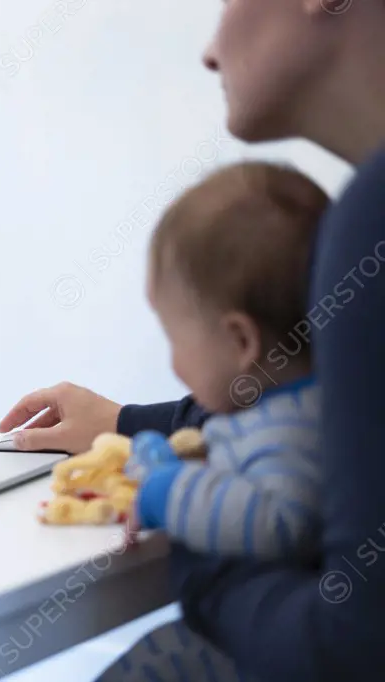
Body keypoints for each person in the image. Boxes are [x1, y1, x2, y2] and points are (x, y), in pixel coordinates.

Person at [0, 1, 385, 679]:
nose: (208, 49)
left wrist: (195, 542)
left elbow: (354, 641)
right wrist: (123, 422)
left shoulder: (369, 228)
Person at [105, 160, 327, 681]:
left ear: (240, 342)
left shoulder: (293, 428)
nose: (173, 364)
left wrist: (167, 492)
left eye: (176, 339)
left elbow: (279, 519)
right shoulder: (282, 410)